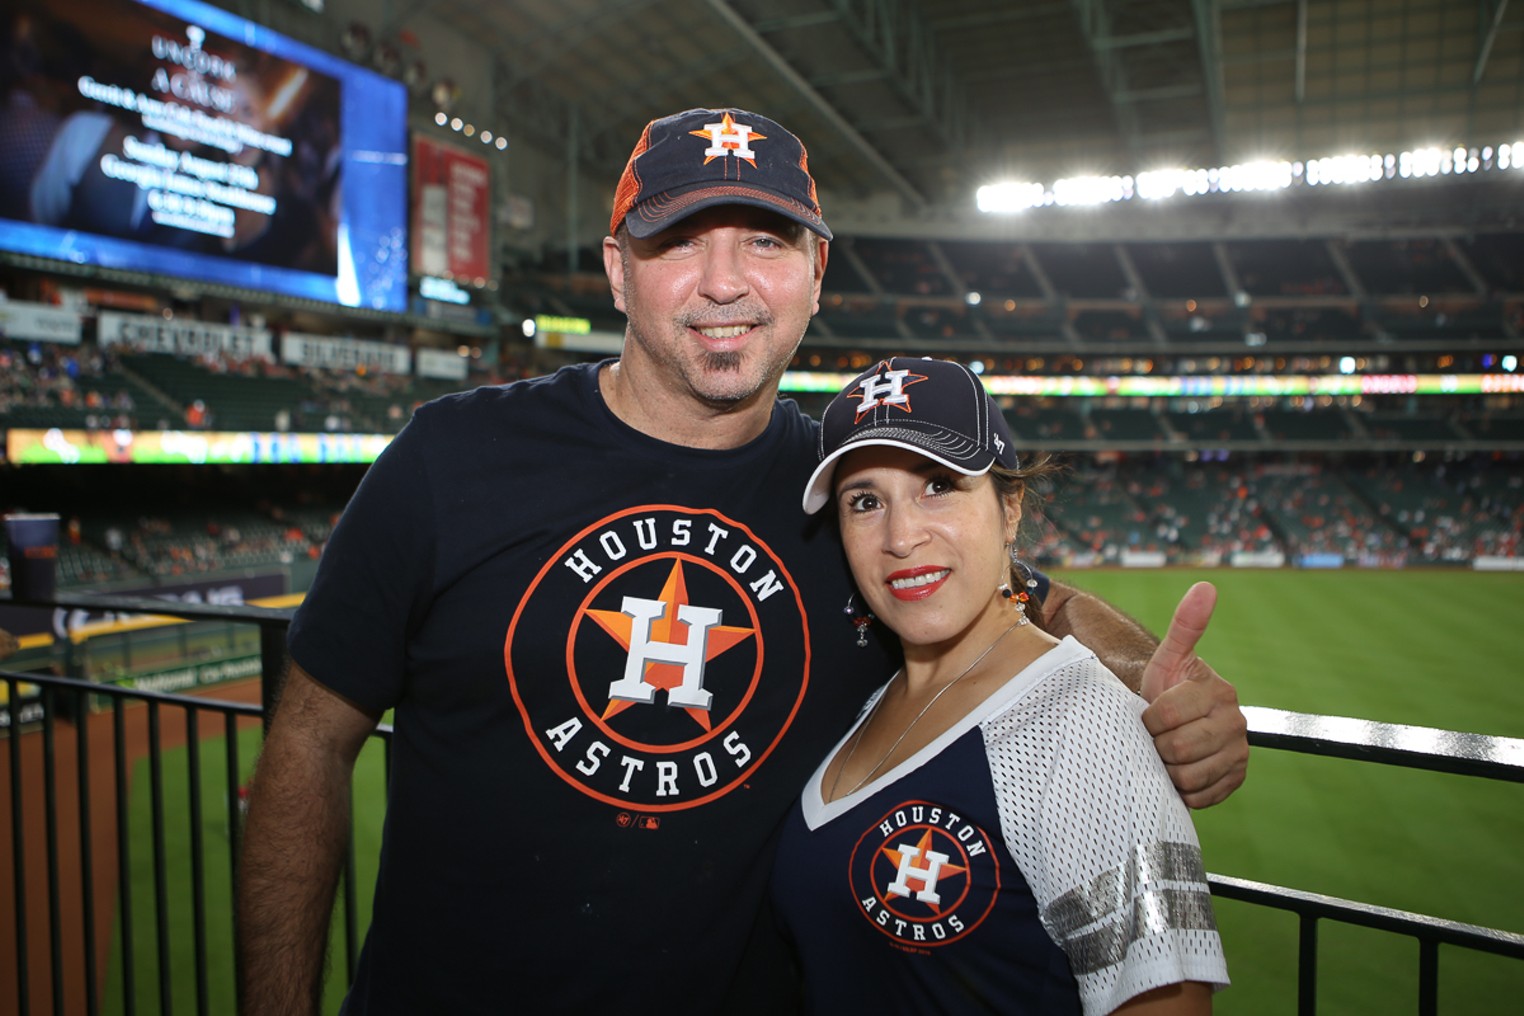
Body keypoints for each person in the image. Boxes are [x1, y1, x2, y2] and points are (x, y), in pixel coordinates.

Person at [237, 107, 1247, 1015]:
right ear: (620, 270)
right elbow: (311, 738)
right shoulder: (448, 457)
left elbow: (1029, 599)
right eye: (678, 240)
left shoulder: (848, 496)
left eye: (766, 240)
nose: (724, 281)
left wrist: (1159, 685)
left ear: (816, 273)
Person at [773, 357, 1228, 1013]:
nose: (901, 537)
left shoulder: (1084, 725)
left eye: (939, 485)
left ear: (1010, 509)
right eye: (865, 501)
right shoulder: (869, 697)